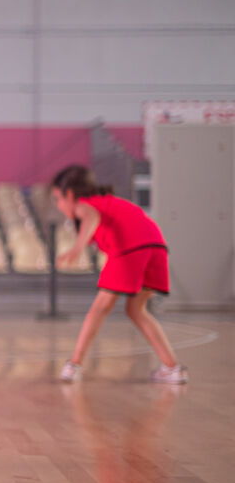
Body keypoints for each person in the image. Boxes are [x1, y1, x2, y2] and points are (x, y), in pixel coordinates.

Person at [51, 164, 187, 384]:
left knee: (98, 309)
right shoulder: (111, 202)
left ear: (69, 195)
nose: (58, 205)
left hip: (130, 249)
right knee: (136, 310)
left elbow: (90, 217)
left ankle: (74, 365)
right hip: (156, 247)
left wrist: (77, 247)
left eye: (58, 199)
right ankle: (172, 368)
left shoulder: (84, 205)